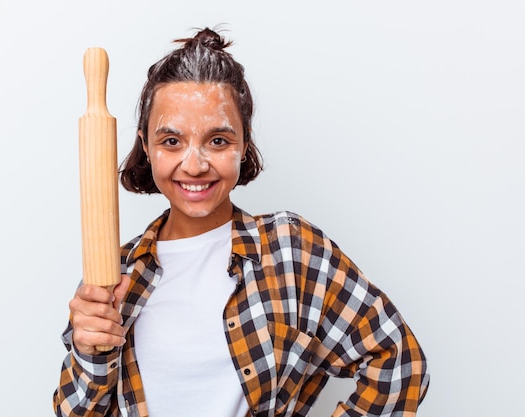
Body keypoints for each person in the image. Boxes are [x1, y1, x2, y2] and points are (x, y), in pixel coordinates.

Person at [53, 27, 429, 417]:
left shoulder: (290, 251)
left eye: (218, 141)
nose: (195, 165)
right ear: (146, 146)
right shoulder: (113, 274)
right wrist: (89, 351)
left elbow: (399, 362)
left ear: (244, 143)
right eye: (171, 141)